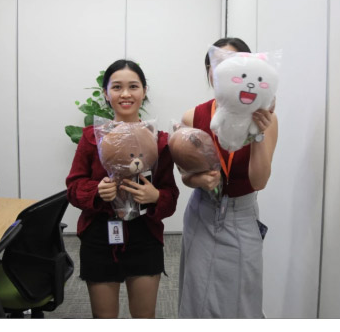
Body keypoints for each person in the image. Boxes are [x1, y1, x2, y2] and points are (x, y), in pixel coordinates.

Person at [66, 59, 179, 318]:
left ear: (144, 91)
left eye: (133, 86)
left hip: (145, 237)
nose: (125, 94)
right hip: (99, 237)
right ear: (106, 93)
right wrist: (96, 191)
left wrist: (156, 196)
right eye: (117, 87)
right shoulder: (91, 138)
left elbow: (170, 196)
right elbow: (73, 187)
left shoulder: (159, 141)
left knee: (144, 317)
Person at [177, 38, 279, 318]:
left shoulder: (265, 118)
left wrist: (258, 134)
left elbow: (259, 182)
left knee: (241, 298)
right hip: (201, 212)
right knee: (197, 294)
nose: (223, 68)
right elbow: (185, 174)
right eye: (216, 63)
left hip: (241, 216)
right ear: (210, 71)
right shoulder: (193, 116)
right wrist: (197, 181)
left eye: (234, 62)